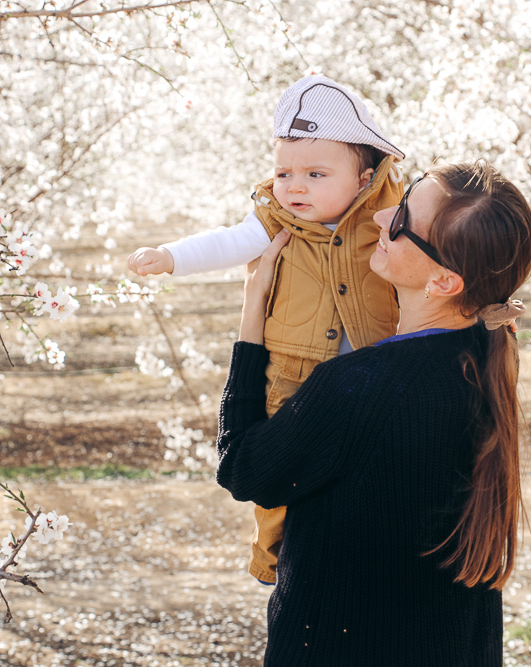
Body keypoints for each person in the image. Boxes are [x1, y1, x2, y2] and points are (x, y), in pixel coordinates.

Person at [216, 159, 531, 665]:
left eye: (404, 220)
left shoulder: (362, 386)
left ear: (446, 281)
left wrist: (253, 317)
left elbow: (244, 470)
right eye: (401, 199)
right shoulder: (488, 353)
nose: (381, 220)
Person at [127, 75, 405, 584]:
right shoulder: (276, 222)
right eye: (284, 173)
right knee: (279, 482)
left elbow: (442, 260)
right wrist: (170, 257)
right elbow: (227, 243)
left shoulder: (390, 221)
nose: (295, 186)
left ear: (365, 178)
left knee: (372, 469)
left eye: (316, 174)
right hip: (291, 376)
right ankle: (271, 558)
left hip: (372, 368)